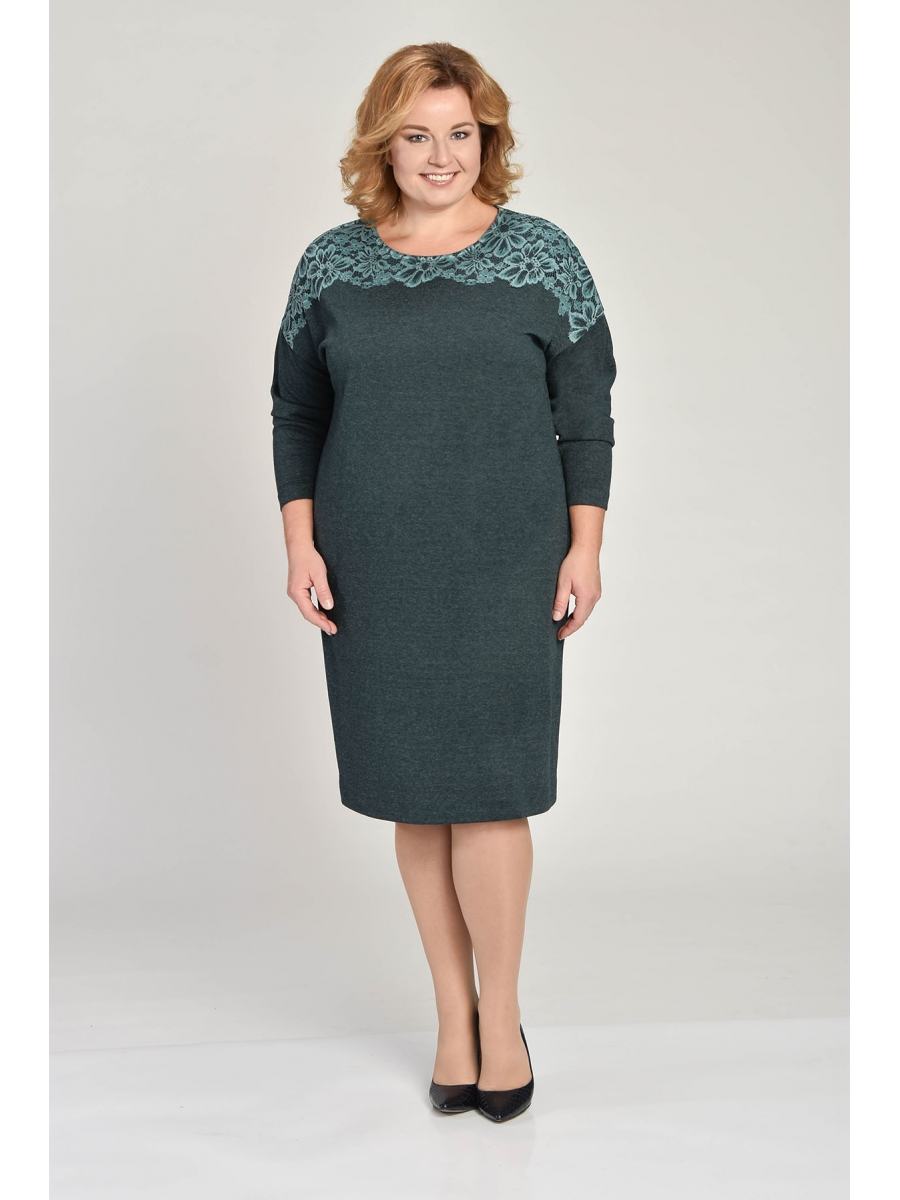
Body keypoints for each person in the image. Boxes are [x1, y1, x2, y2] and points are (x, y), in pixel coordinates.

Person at [270, 42, 616, 1123]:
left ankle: (500, 1019)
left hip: (507, 562)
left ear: (487, 140)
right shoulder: (330, 266)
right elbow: (296, 412)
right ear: (384, 144)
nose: (440, 155)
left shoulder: (544, 256)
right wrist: (301, 544)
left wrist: (585, 548)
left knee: (492, 791)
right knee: (416, 797)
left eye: (460, 133)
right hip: (374, 563)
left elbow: (587, 414)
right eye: (417, 135)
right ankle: (450, 1019)